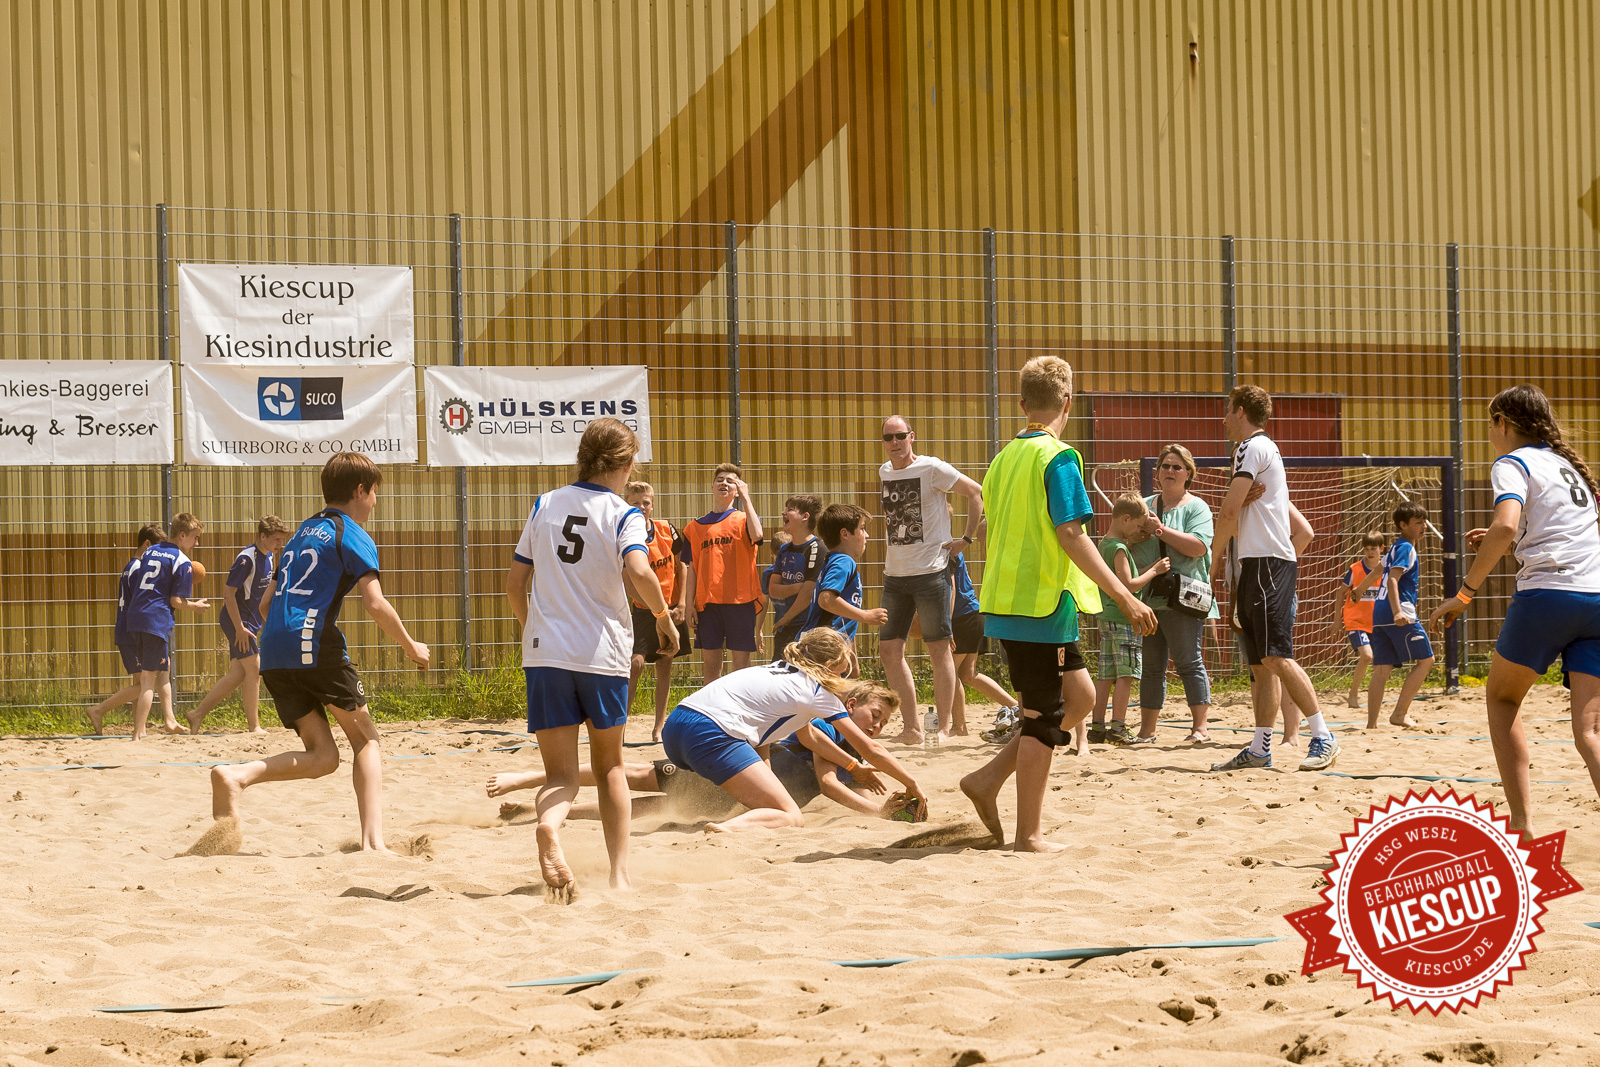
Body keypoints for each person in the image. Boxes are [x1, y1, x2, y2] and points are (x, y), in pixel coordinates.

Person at [958, 356, 1157, 851]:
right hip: (1037, 607)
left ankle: (987, 778)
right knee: (1041, 720)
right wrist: (1123, 596)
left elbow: (997, 530)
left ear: (1022, 403)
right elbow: (1071, 533)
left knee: (1083, 699)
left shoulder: (1004, 458)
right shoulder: (1059, 457)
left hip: (1020, 604)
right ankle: (1028, 835)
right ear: (1067, 402)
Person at [201, 453, 430, 857]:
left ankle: (237, 776)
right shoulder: (352, 533)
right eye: (375, 492)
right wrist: (411, 646)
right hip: (313, 643)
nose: (375, 501)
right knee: (367, 742)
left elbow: (268, 605)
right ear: (360, 491)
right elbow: (375, 604)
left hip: (273, 649)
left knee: (323, 757)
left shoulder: (299, 535)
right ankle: (373, 843)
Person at [505, 420, 676, 901]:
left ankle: (549, 824)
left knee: (560, 776)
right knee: (610, 769)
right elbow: (639, 570)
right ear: (626, 464)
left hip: (546, 654)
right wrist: (663, 616)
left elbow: (514, 585)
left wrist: (533, 629)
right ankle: (620, 875)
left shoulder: (545, 503)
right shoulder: (624, 514)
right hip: (601, 653)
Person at [1430, 384, 1600, 839]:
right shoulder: (1568, 465)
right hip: (1597, 598)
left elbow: (1506, 525)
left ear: (1505, 423)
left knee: (1502, 699)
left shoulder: (1512, 462)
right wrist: (1513, 534)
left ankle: (1523, 829)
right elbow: (1557, 528)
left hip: (1549, 596)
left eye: (1491, 423)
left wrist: (1464, 593)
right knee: (1590, 734)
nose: (1489, 433)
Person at [485, 682, 913, 824]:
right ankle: (524, 779)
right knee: (632, 773)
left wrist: (879, 804)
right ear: (852, 704)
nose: (876, 725)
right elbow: (826, 778)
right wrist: (865, 786)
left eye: (884, 723)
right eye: (874, 714)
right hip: (721, 765)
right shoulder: (821, 722)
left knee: (654, 809)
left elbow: (835, 783)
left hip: (737, 795)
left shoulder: (844, 743)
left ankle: (534, 810)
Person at [656, 628, 924, 832]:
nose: (842, 680)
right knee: (790, 816)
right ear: (828, 668)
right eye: (841, 673)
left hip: (678, 724)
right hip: (710, 733)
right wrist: (911, 783)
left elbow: (804, 736)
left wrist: (853, 767)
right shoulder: (816, 690)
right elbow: (872, 749)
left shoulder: (777, 671)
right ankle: (726, 830)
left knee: (665, 782)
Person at [1208, 385, 1339, 772]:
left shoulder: (1250, 448)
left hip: (1266, 565)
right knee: (1261, 664)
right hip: (1257, 565)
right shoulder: (1259, 454)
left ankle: (1323, 735)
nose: (1224, 418)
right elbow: (1247, 510)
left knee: (1277, 656)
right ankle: (1261, 747)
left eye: (1228, 411)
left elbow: (1228, 513)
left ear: (1242, 411)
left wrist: (1211, 563)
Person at [877, 415, 986, 744]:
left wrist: (965, 539)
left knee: (938, 651)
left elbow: (975, 492)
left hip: (931, 573)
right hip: (895, 575)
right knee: (888, 651)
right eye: (888, 437)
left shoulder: (932, 468)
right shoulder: (884, 471)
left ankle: (941, 728)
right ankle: (912, 728)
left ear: (911, 437)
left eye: (899, 436)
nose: (894, 442)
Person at [1132, 444, 1220, 744]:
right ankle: (1147, 730)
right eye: (1165, 466)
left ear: (1188, 474)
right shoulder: (1143, 506)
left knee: (1188, 662)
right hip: (1150, 599)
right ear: (1156, 472)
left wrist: (1159, 531)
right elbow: (1121, 539)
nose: (1169, 471)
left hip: (1186, 598)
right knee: (1152, 667)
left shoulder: (1197, 507)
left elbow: (1198, 547)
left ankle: (1200, 728)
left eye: (1176, 467)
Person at [186, 515, 291, 734]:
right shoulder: (247, 559)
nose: (280, 545)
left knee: (238, 673)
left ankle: (196, 714)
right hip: (237, 621)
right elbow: (228, 594)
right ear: (262, 536)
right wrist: (240, 628)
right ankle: (254, 726)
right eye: (276, 540)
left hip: (250, 622)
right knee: (254, 668)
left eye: (282, 540)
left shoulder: (270, 556)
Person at [1084, 494, 1170, 751]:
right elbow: (1129, 586)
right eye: (1136, 526)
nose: (1137, 532)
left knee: (1106, 674)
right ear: (1125, 519)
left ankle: (1097, 726)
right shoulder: (1119, 549)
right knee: (1126, 674)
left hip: (1106, 618)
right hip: (1123, 618)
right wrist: (1155, 570)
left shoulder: (1104, 544)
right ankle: (1118, 727)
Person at [114, 513, 210, 740]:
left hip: (135, 617)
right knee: (148, 679)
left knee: (163, 670)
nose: (196, 543)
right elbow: (176, 601)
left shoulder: (150, 551)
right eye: (195, 538)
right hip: (155, 620)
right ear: (182, 534)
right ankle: (137, 734)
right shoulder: (182, 561)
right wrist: (195, 606)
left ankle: (170, 720)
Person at [1351, 503, 1437, 729]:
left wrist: (1360, 590)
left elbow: (1378, 572)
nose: (1424, 527)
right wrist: (1398, 610)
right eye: (1418, 522)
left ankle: (1371, 725)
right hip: (1398, 613)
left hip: (1378, 614)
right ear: (1403, 525)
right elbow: (1391, 579)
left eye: (1424, 521)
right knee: (1427, 661)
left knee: (1382, 668)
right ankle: (1399, 714)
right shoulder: (1406, 547)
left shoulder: (1392, 549)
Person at [86, 523, 175, 736]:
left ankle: (141, 729)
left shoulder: (132, 566)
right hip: (132, 632)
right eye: (158, 549)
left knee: (144, 681)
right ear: (147, 544)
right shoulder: (139, 568)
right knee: (146, 683)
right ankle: (98, 710)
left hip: (131, 630)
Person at [682, 463, 764, 683]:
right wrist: (689, 603)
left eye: (731, 481)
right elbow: (692, 570)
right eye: (720, 480)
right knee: (711, 667)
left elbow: (757, 535)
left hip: (740, 602)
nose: (724, 484)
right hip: (708, 605)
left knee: (741, 666)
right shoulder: (694, 527)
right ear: (711, 487)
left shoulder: (745, 518)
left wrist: (746, 499)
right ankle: (712, 714)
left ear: (737, 490)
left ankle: (740, 714)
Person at [623, 480, 690, 743]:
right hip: (643, 608)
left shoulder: (666, 530)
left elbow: (681, 565)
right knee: (635, 664)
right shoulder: (626, 533)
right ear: (626, 504)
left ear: (652, 503)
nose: (641, 507)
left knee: (665, 662)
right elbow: (627, 577)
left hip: (670, 606)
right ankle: (622, 726)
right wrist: (652, 607)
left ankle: (658, 727)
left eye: (645, 502)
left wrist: (682, 603)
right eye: (634, 503)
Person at [799, 503, 888, 661]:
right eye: (862, 528)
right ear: (845, 534)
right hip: (822, 649)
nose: (866, 535)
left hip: (819, 646)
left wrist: (853, 665)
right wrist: (866, 615)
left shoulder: (834, 561)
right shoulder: (844, 562)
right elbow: (826, 600)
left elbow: (843, 619)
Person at [950, 549, 1018, 740]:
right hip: (972, 613)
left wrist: (945, 624)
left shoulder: (946, 550)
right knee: (967, 674)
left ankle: (959, 726)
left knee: (950, 672)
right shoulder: (954, 548)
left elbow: (951, 588)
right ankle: (1017, 707)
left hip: (962, 617)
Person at [765, 494, 825, 658]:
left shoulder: (817, 548)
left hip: (808, 626)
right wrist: (799, 587)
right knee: (779, 673)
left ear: (805, 517)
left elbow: (807, 595)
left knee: (805, 675)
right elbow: (773, 590)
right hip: (785, 626)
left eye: (790, 510)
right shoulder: (784, 550)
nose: (783, 513)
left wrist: (785, 619)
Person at [1337, 531, 1387, 710]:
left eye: (1373, 548)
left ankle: (1375, 699)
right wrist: (1337, 619)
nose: (1369, 552)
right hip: (1356, 621)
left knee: (1379, 665)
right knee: (1366, 655)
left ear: (1381, 548)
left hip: (1377, 622)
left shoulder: (1386, 570)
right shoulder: (1355, 569)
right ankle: (1353, 695)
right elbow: (1341, 592)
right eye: (1366, 549)